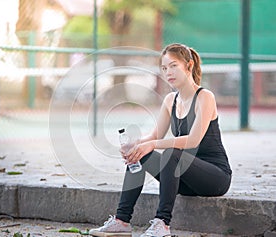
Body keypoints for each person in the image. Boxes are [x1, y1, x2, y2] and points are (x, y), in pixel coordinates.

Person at [89, 43, 232, 237]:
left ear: (189, 66)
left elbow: (193, 140)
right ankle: (122, 221)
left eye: (173, 66)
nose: (168, 72)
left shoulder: (205, 97)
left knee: (171, 153)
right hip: (184, 179)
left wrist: (152, 145)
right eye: (164, 68)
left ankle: (162, 224)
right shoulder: (170, 100)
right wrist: (136, 145)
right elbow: (155, 137)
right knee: (139, 155)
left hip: (214, 177)